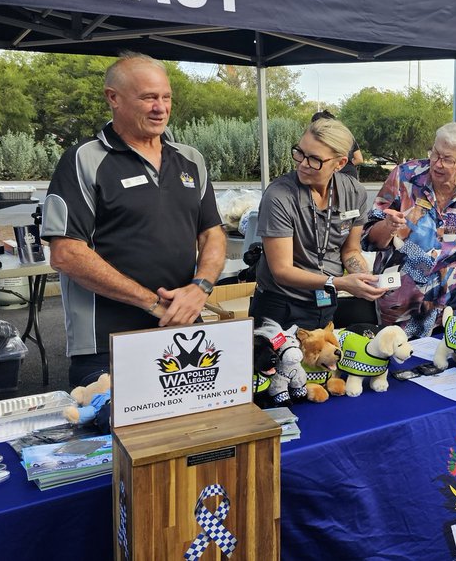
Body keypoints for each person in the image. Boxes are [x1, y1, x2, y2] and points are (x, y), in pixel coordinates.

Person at [41, 52, 227, 388]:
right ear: (113, 98)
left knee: (196, 421)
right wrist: (152, 302)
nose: (160, 108)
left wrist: (200, 288)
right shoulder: (84, 159)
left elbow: (211, 233)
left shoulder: (190, 159)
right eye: (148, 98)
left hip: (182, 332)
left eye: (166, 97)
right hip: (106, 343)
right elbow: (66, 253)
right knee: (110, 421)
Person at [362, 122, 456, 339]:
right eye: (435, 153)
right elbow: (368, 239)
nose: (437, 164)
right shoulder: (404, 176)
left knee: (450, 359)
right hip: (400, 308)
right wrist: (388, 226)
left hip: (454, 309)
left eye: (448, 159)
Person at [249, 117, 387, 330]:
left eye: (315, 159)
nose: (303, 164)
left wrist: (365, 278)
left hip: (324, 303)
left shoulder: (353, 192)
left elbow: (350, 250)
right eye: (300, 153)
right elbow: (281, 270)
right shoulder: (279, 196)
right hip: (280, 307)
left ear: (340, 163)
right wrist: (337, 283)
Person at [312, 110, 364, 179]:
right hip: (350, 173)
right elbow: (359, 159)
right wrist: (344, 166)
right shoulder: (348, 137)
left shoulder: (321, 140)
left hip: (332, 174)